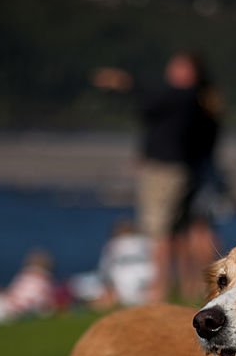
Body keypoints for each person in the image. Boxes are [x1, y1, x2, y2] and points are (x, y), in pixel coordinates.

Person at [92, 51, 226, 302]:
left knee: (166, 232)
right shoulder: (197, 101)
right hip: (187, 170)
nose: (174, 71)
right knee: (182, 230)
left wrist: (124, 82)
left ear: (193, 73)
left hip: (171, 171)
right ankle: (190, 287)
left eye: (181, 66)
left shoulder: (183, 97)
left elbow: (150, 100)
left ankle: (161, 291)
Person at [67, 220, 155, 310]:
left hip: (124, 292)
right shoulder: (146, 242)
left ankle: (101, 302)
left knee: (78, 283)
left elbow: (106, 271)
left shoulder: (114, 244)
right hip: (146, 290)